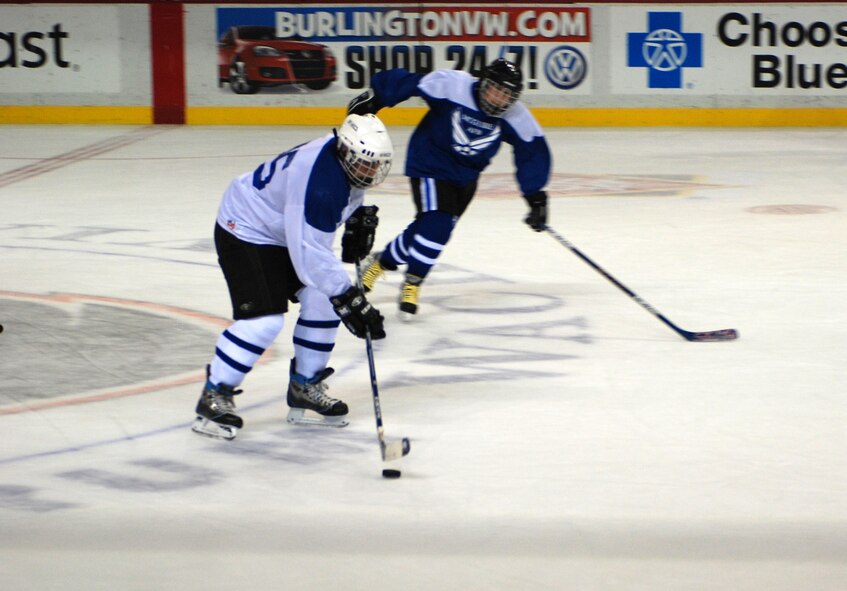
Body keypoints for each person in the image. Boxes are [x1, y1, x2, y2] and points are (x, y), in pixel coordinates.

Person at [191, 114, 393, 440]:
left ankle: (304, 384)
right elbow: (310, 258)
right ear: (345, 152)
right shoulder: (321, 184)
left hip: (281, 227)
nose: (370, 172)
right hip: (245, 226)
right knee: (264, 321)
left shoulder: (341, 159)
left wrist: (355, 216)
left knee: (323, 299)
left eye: (376, 165)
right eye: (364, 165)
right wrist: (351, 299)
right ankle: (214, 392)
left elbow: (316, 243)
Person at [347, 58, 551, 318]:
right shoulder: (454, 86)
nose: (498, 99)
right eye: (494, 89)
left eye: (506, 95)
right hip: (430, 164)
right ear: (483, 83)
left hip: (465, 178)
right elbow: (413, 82)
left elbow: (531, 149)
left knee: (426, 230)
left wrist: (536, 196)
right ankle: (413, 281)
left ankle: (380, 263)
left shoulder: (515, 115)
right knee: (437, 227)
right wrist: (378, 99)